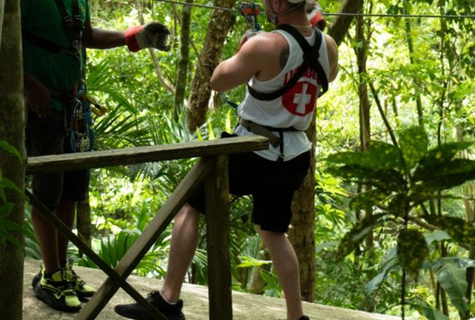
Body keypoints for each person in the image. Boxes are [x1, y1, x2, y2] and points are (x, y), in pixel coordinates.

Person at [115, 0, 338, 319]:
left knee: (190, 207)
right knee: (274, 232)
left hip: (252, 148)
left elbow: (218, 81)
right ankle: (295, 316)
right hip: (296, 152)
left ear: (276, 3)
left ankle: (168, 299)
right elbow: (323, 82)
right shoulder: (327, 44)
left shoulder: (264, 44)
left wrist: (245, 48)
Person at [23, 0, 170, 313]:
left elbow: (86, 36)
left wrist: (137, 37)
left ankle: (61, 269)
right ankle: (50, 275)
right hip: (40, 109)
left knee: (73, 190)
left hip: (73, 105)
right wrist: (27, 84)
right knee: (47, 192)